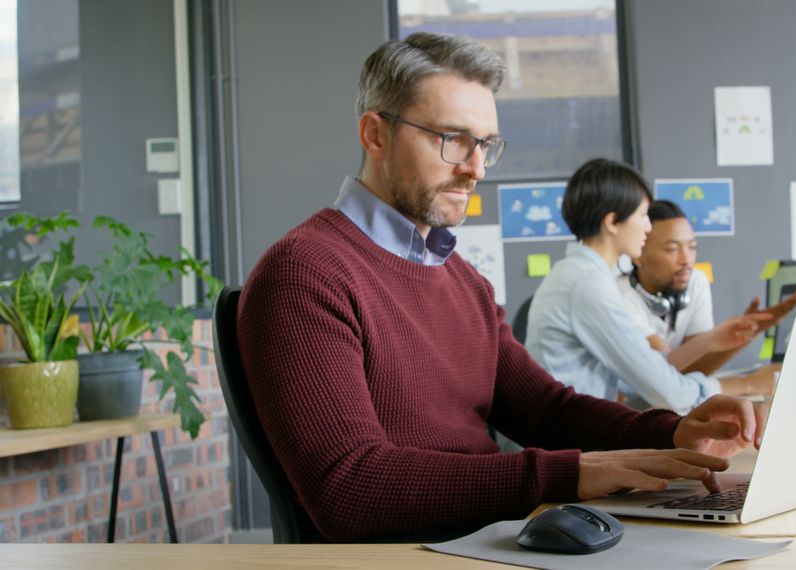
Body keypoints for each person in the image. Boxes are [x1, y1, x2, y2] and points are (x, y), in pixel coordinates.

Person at [236, 32, 763, 543]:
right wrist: (569, 474)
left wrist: (671, 432)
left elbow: (546, 411)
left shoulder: (462, 279)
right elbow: (348, 487)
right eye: (453, 140)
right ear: (376, 134)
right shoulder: (303, 273)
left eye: (486, 144)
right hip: (414, 554)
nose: (476, 169)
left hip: (491, 538)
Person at [524, 158, 769, 413]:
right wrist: (747, 385)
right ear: (611, 222)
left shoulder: (580, 275)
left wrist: (711, 342)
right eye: (643, 215)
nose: (648, 226)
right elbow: (669, 392)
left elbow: (645, 369)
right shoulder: (587, 285)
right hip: (568, 442)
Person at [620, 200, 796, 376]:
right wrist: (746, 383)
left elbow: (695, 369)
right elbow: (666, 373)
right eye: (672, 249)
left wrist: (745, 334)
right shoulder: (619, 296)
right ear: (638, 255)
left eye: (692, 247)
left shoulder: (695, 281)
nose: (687, 260)